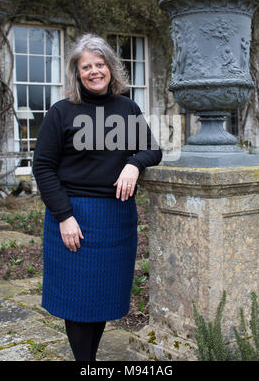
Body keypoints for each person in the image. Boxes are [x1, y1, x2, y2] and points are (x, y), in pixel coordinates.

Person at [32, 33, 162, 362]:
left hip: (116, 219)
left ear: (111, 68)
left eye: (99, 64)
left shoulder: (126, 108)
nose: (94, 71)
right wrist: (64, 216)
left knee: (101, 297)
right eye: (86, 66)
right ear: (77, 73)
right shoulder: (62, 112)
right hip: (74, 216)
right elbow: (43, 167)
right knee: (77, 300)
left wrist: (134, 163)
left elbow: (152, 149)